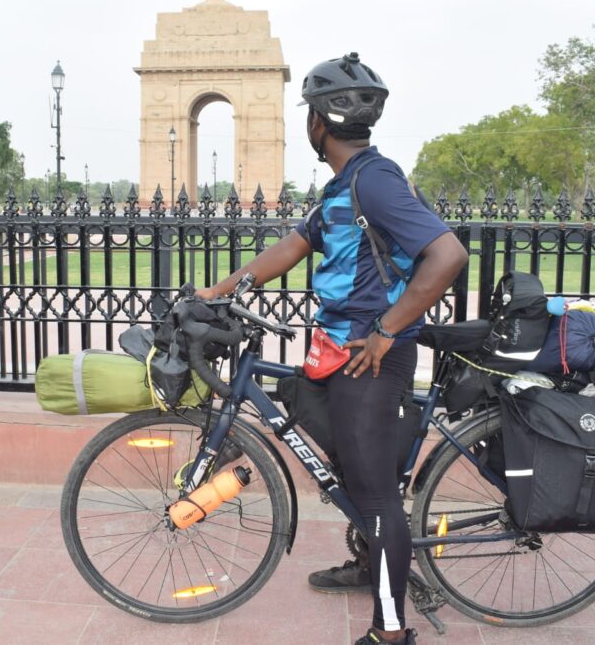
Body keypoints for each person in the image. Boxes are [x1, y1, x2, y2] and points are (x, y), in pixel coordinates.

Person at [198, 53, 468, 645]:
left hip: (371, 353)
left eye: (308, 117)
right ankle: (370, 562)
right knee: (342, 463)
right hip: (339, 350)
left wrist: (390, 328)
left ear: (319, 121)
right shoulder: (345, 187)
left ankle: (392, 630)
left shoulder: (374, 180)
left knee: (372, 490)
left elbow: (448, 255)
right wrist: (220, 290)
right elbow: (292, 247)